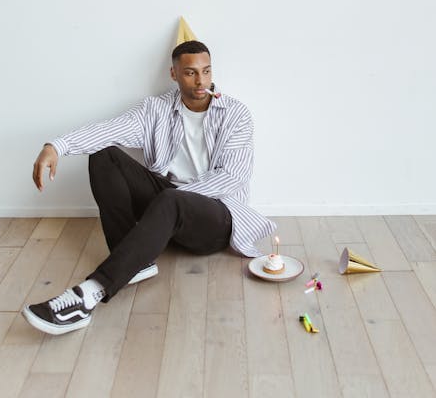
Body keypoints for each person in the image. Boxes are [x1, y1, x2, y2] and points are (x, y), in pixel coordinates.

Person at [22, 40, 276, 335]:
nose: (201, 81)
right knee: (104, 156)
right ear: (174, 74)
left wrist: (172, 199)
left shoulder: (236, 115)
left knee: (171, 199)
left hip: (216, 215)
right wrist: (56, 146)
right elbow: (108, 130)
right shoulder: (155, 109)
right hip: (167, 204)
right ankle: (135, 261)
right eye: (190, 73)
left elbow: (233, 176)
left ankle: (90, 294)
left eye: (206, 72)